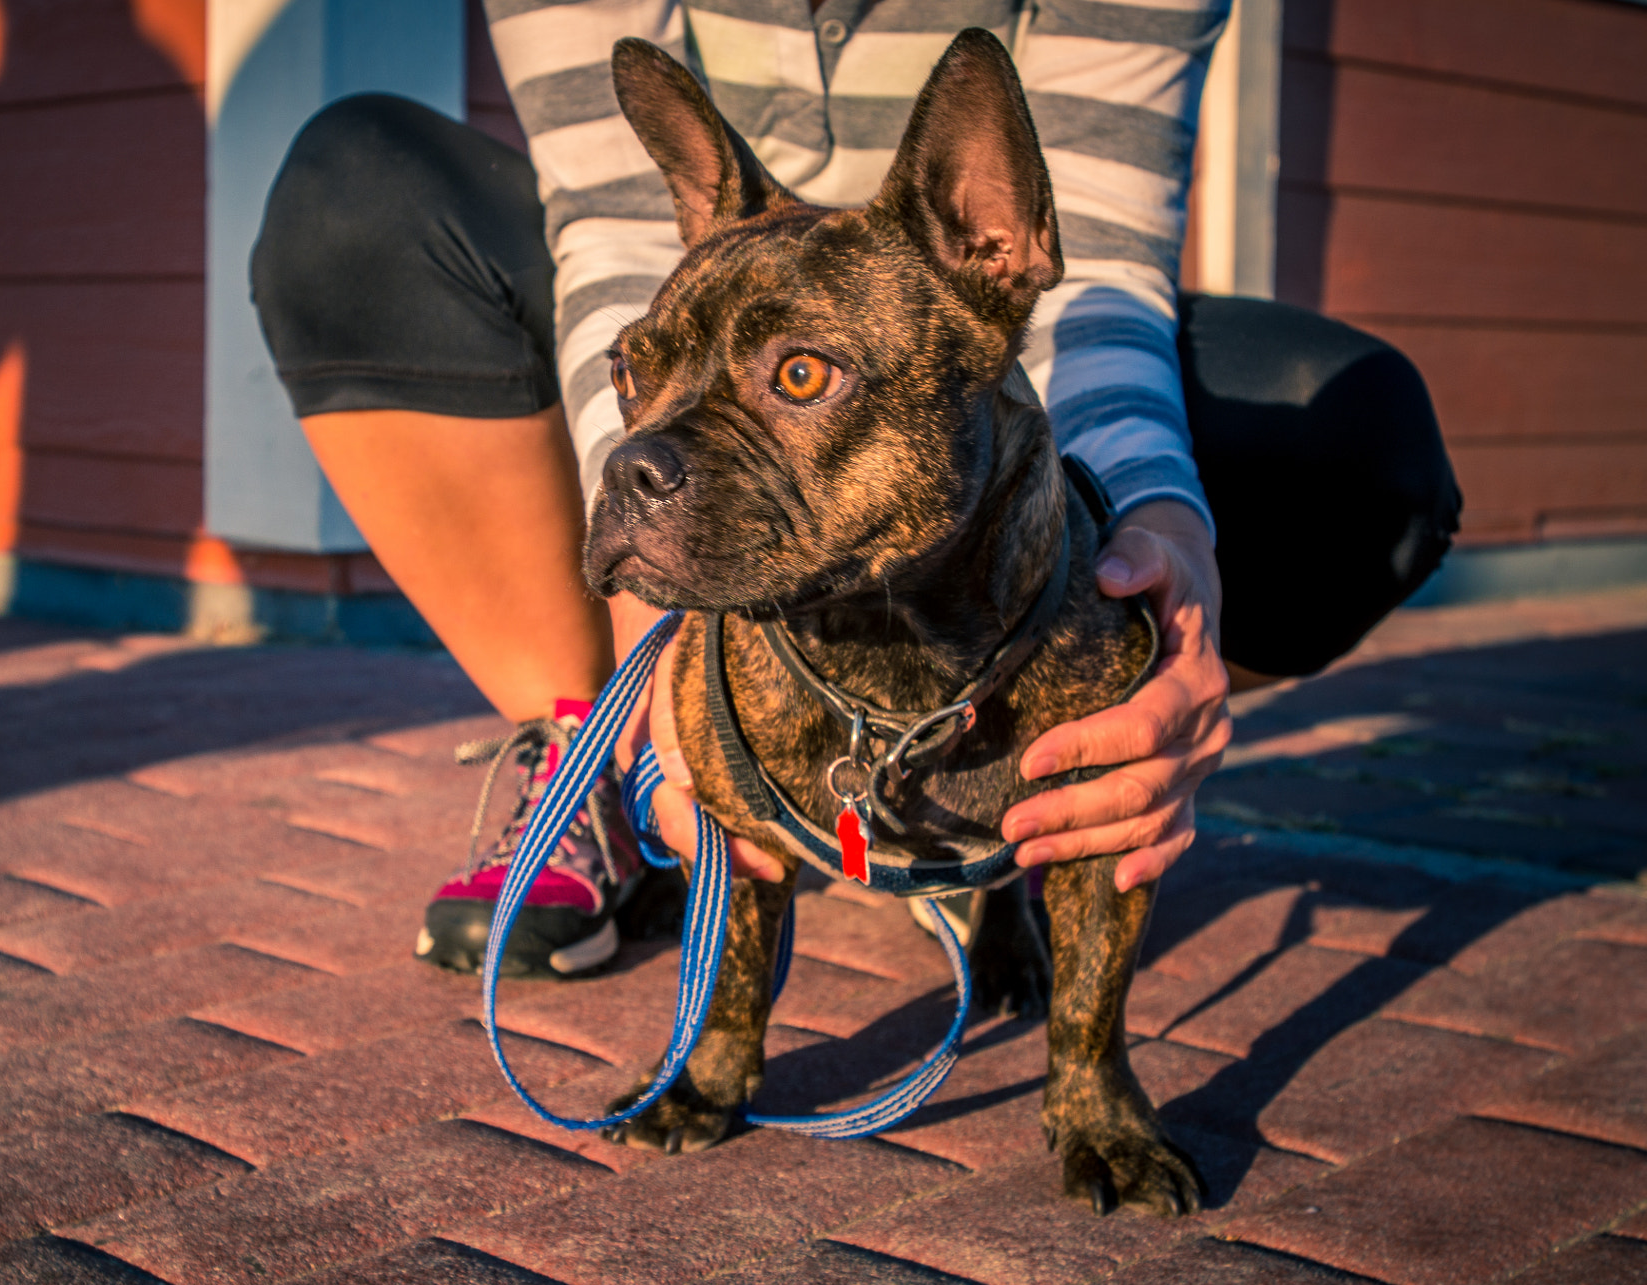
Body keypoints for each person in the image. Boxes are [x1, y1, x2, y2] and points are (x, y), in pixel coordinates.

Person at [250, 1, 1461, 977]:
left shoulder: (987, 250)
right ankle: (609, 754)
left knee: (1359, 446)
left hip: (947, 329)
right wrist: (660, 630)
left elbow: (1089, 264)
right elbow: (624, 241)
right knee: (357, 184)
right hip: (725, 287)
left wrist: (1162, 534)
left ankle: (993, 764)